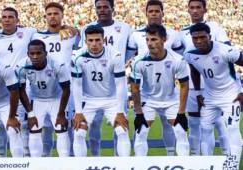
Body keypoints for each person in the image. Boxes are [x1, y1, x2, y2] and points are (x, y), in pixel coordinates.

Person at [127, 0, 182, 156]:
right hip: (145, 90)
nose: (154, 14)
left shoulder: (173, 34)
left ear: (162, 13)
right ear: (146, 13)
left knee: (169, 126)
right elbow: (128, 57)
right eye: (150, 11)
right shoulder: (136, 35)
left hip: (167, 89)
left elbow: (179, 58)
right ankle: (140, 163)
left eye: (157, 11)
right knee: (141, 129)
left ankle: (171, 158)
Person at [78, 0, 132, 156]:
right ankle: (96, 158)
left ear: (112, 9)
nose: (102, 10)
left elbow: (130, 51)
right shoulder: (86, 29)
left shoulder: (124, 27)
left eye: (105, 7)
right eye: (98, 7)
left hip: (116, 86)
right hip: (92, 87)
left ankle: (118, 160)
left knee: (120, 126)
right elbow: (84, 50)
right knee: (93, 126)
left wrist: (118, 62)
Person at [185, 23, 243, 161]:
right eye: (195, 38)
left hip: (231, 96)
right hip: (209, 97)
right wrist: (198, 93)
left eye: (202, 37)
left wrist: (242, 90)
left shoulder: (226, 50)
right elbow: (194, 72)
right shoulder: (189, 54)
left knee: (232, 128)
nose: (199, 41)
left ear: (209, 36)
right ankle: (207, 163)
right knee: (205, 130)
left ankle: (232, 164)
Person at [180, 0, 231, 155]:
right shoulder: (182, 32)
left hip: (215, 86)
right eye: (192, 8)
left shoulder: (215, 28)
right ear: (187, 10)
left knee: (220, 123)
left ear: (204, 9)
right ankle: (197, 160)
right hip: (194, 87)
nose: (195, 11)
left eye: (198, 7)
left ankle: (227, 159)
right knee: (195, 124)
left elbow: (227, 52)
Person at [0, 7, 37, 157]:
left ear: (17, 20)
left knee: (21, 124)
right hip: (0, 87)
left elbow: (49, 33)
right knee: (0, 125)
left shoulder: (29, 33)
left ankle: (25, 160)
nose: (7, 19)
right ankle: (2, 159)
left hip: (21, 86)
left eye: (10, 17)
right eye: (4, 17)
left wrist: (66, 28)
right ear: (1, 20)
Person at [31, 2, 79, 156]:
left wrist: (76, 30)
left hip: (65, 88)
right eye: (49, 14)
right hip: (42, 89)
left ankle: (68, 161)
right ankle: (45, 160)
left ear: (62, 16)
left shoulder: (71, 35)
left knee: (67, 126)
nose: (53, 16)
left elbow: (82, 45)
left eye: (56, 13)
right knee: (44, 128)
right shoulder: (37, 36)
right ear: (45, 17)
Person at [17, 39, 71, 157]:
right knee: (34, 130)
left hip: (56, 99)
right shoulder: (21, 66)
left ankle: (66, 164)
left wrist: (61, 113)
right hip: (36, 100)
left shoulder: (57, 65)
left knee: (61, 130)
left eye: (39, 53)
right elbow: (21, 90)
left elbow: (66, 89)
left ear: (45, 53)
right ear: (28, 54)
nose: (35, 56)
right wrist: (30, 114)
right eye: (32, 54)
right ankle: (37, 164)